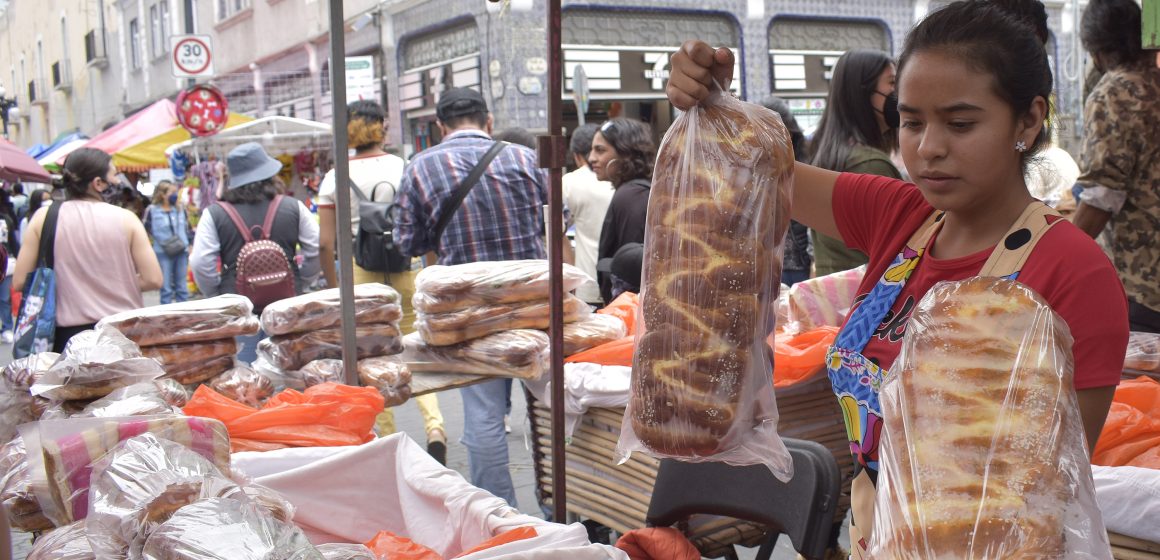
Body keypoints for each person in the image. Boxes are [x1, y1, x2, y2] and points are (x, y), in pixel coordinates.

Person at [666, 0, 1127, 555]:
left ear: (1028, 120)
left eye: (960, 123)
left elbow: (1053, 488)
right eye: (910, 122)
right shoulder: (901, 217)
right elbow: (750, 170)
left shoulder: (1075, 271)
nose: (929, 148)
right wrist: (711, 101)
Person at [394, 87, 552, 508]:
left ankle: (499, 514)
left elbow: (407, 241)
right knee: (548, 409)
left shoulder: (420, 167)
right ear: (489, 121)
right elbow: (560, 218)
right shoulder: (525, 157)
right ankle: (557, 503)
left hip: (465, 312)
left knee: (483, 415)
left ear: (440, 127)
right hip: (533, 302)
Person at [316, 100, 448, 465]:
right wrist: (429, 272)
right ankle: (435, 426)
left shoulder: (334, 176)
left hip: (360, 280)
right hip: (405, 269)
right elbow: (425, 228)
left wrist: (332, 287)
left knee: (370, 359)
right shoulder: (403, 167)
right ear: (382, 128)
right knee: (415, 352)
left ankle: (390, 440)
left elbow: (326, 243)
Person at [14, 148, 163, 352]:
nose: (118, 181)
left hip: (65, 339)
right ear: (98, 183)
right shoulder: (127, 220)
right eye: (114, 174)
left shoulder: (43, 218)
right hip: (123, 332)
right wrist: (114, 283)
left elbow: (21, 281)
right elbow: (153, 279)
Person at [1072, 0, 1160, 334]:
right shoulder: (1155, 82)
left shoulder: (1114, 92)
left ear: (1095, 48)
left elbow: (1101, 196)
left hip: (1142, 284)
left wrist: (1058, 253)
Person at [190, 142, 320, 363]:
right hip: (287, 307)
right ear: (270, 174)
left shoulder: (214, 214)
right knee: (288, 374)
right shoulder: (294, 207)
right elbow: (316, 249)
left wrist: (218, 294)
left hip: (238, 310)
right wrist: (303, 280)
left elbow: (200, 263)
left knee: (244, 380)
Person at [808, 49, 902, 277]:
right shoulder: (870, 166)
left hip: (837, 297)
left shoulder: (832, 154)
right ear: (863, 94)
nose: (898, 94)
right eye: (892, 84)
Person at [589, 118, 655, 305]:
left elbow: (632, 272)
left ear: (626, 153)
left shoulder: (631, 196)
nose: (591, 158)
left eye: (600, 150)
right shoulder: (632, 192)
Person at [760, 96, 814, 286]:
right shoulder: (750, 171)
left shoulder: (805, 167)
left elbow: (815, 222)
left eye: (782, 134)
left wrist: (814, 260)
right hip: (766, 267)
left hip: (802, 266)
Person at [563, 124, 615, 305]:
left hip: (587, 283)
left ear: (577, 156)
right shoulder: (621, 180)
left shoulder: (569, 182)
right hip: (621, 281)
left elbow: (557, 233)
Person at [144, 180, 191, 305]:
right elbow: (146, 229)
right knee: (165, 288)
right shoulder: (152, 210)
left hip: (181, 250)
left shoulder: (181, 209)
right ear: (163, 194)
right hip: (163, 252)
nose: (175, 195)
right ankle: (167, 319)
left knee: (182, 287)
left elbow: (188, 228)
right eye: (172, 192)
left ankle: (185, 316)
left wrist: (190, 245)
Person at [0, 193, 15, 343]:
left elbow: (12, 242)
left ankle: (7, 328)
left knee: (4, 298)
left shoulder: (6, 219)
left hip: (6, 261)